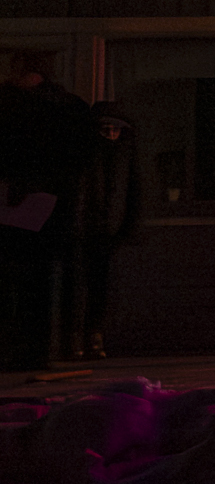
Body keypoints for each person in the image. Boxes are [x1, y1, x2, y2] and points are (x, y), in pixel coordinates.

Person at [0, 49, 93, 373]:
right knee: (40, 281)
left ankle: (17, 348)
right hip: (53, 206)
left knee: (16, 280)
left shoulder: (11, 105)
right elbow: (81, 160)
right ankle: (42, 349)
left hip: (18, 203)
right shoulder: (70, 108)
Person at [61, 102, 140, 360]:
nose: (111, 135)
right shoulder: (85, 155)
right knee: (76, 286)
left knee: (100, 287)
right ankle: (74, 337)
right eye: (106, 130)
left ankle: (93, 334)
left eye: (116, 130)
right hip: (82, 230)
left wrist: (127, 228)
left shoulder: (124, 156)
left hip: (107, 231)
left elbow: (132, 192)